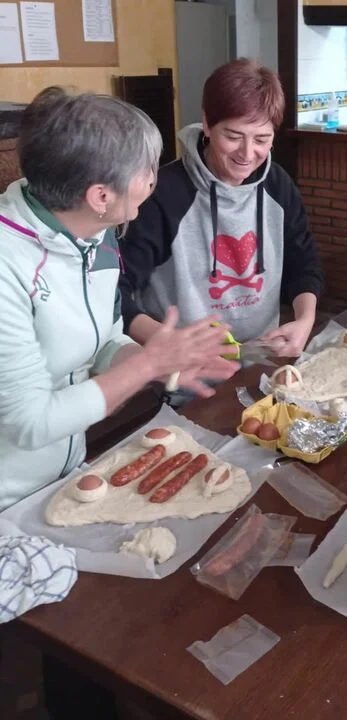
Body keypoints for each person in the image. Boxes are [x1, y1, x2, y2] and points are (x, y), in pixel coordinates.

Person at [0, 86, 238, 719]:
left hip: (62, 475)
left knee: (94, 636)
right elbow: (28, 422)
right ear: (99, 194)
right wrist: (151, 365)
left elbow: (102, 340)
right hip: (9, 497)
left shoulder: (95, 236)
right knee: (65, 648)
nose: (153, 182)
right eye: (145, 171)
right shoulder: (7, 262)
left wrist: (166, 365)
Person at [121, 58, 323, 366]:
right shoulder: (163, 194)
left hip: (261, 358)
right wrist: (170, 343)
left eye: (262, 139)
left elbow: (303, 262)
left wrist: (305, 319)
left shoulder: (278, 185)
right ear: (207, 123)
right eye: (233, 136)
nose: (247, 153)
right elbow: (117, 292)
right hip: (184, 370)